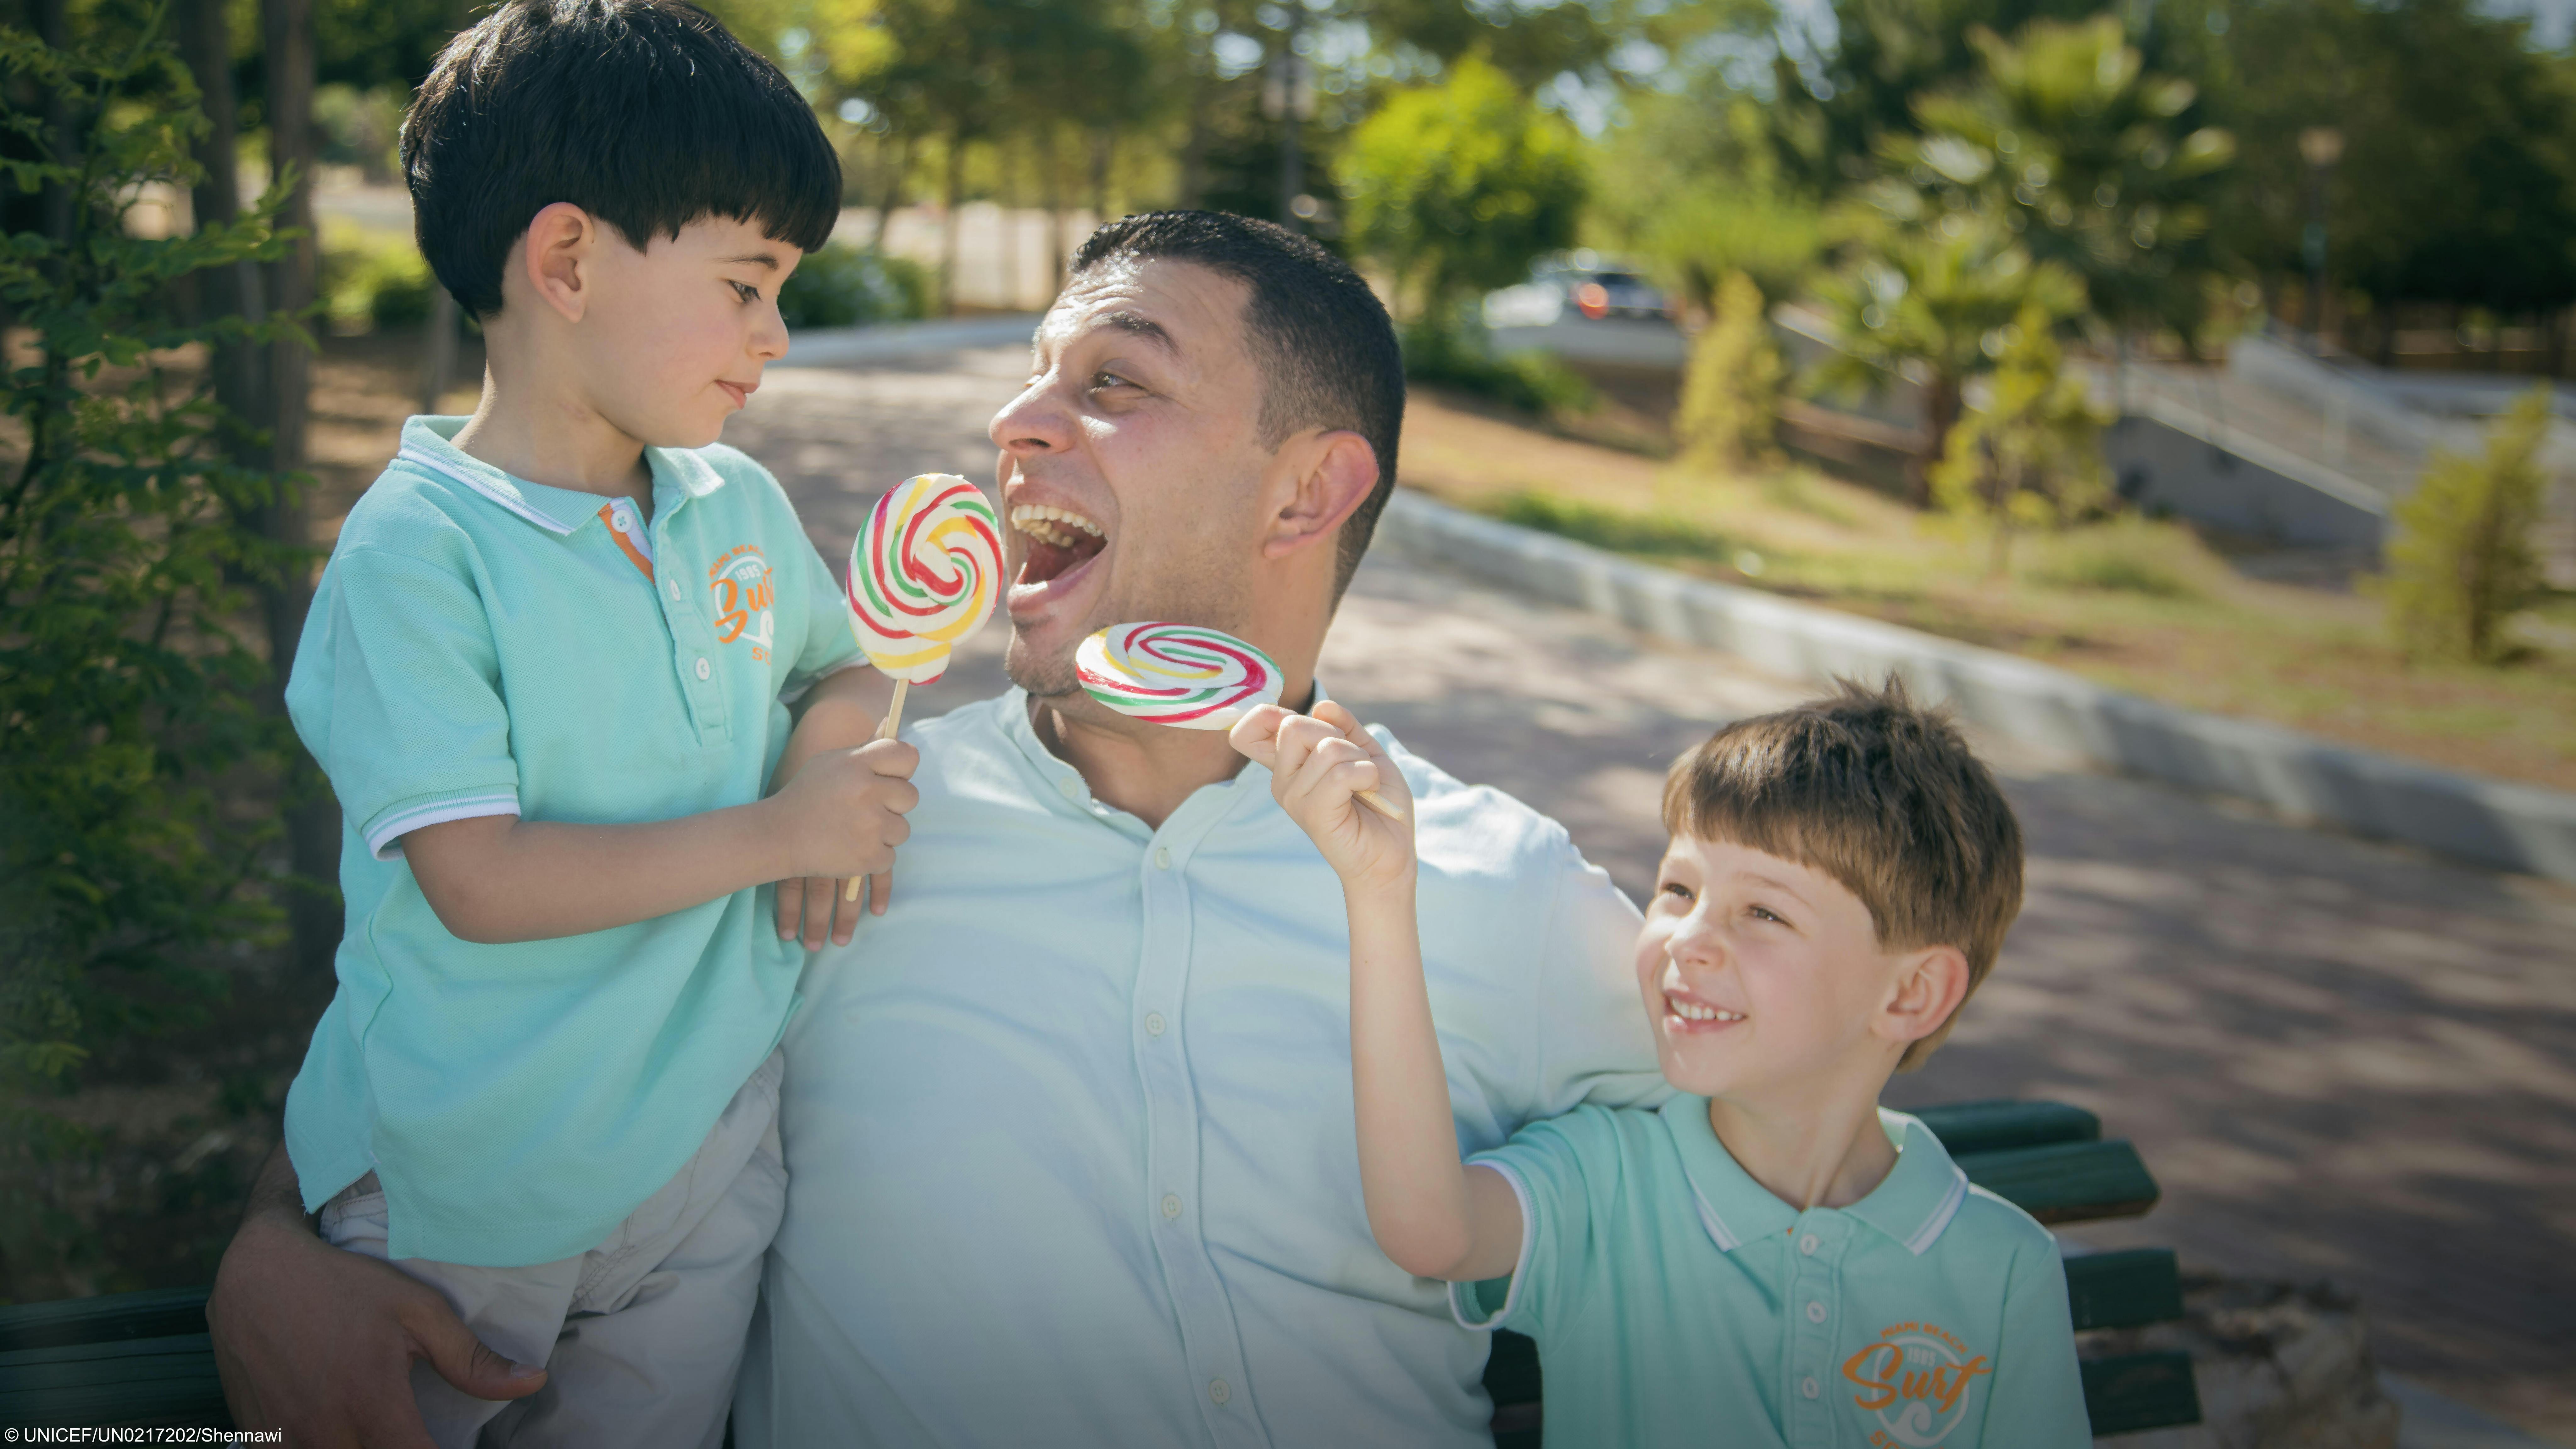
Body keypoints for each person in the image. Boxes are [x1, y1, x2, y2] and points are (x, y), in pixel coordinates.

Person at [209, 211, 1663, 1447]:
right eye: (1033, 379)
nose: (1017, 422)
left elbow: (1788, 1181)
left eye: (1114, 384)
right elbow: (471, 1026)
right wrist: (272, 1254)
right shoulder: (825, 831)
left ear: (1306, 491)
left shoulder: (1496, 891)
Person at [223, 2, 919, 1444]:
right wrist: (777, 833)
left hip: (709, 1145)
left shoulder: (735, 504)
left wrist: (825, 750)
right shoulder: (418, 552)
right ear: (565, 261)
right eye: (746, 283)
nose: (775, 336)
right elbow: (477, 881)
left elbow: (846, 668)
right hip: (474, 1173)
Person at [1231, 680, 2093, 1447]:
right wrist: (1382, 893)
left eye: (1763, 913)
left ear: (1910, 996)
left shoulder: (2004, 1267)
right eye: (1678, 890)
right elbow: (1430, 1231)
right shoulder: (1603, 1184)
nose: (1689, 939)